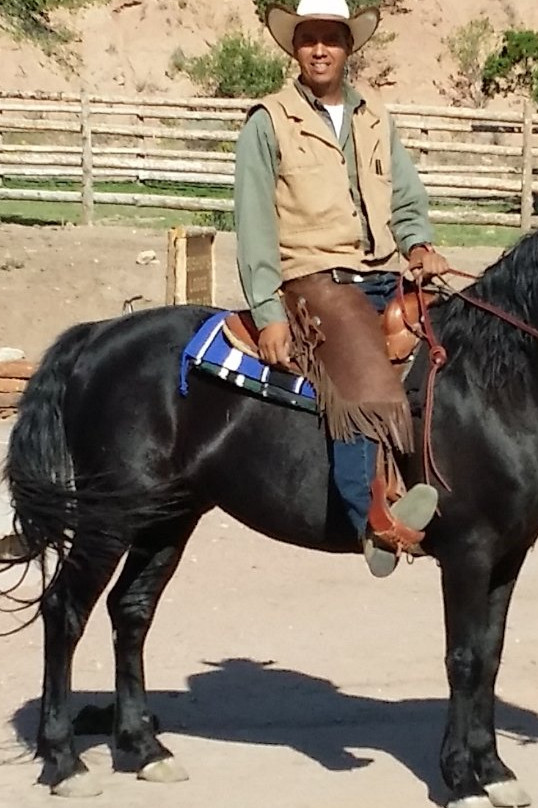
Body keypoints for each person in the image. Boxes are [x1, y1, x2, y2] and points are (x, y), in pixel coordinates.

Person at [234, 0, 449, 577]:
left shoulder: (375, 116)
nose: (320, 49)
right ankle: (371, 521)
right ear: (294, 48)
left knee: (456, 344)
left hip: (382, 271)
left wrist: (419, 246)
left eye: (331, 39)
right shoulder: (268, 122)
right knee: (365, 383)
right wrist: (267, 310)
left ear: (349, 47)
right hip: (316, 277)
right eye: (309, 39)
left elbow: (404, 198)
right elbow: (254, 222)